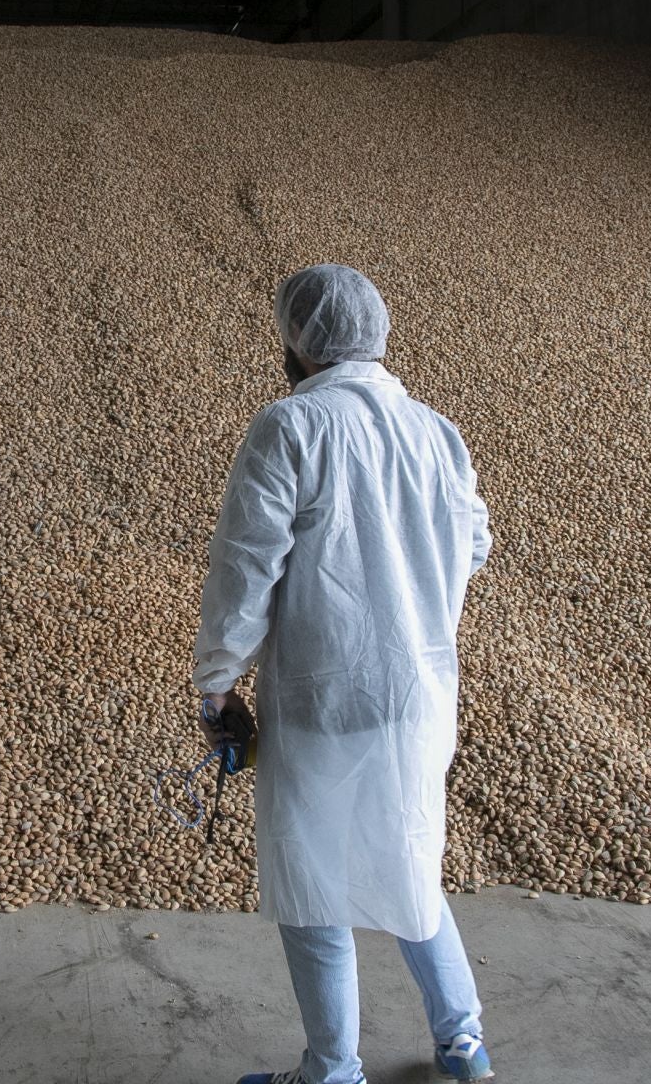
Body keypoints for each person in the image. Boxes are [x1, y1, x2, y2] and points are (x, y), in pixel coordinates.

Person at [195, 264, 495, 1084]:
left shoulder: (289, 427)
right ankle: (463, 1042)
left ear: (296, 344)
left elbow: (246, 570)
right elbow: (473, 544)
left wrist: (217, 684)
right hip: (419, 696)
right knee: (410, 859)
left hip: (324, 700)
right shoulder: (436, 431)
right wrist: (415, 604)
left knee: (314, 886)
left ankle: (332, 1071)